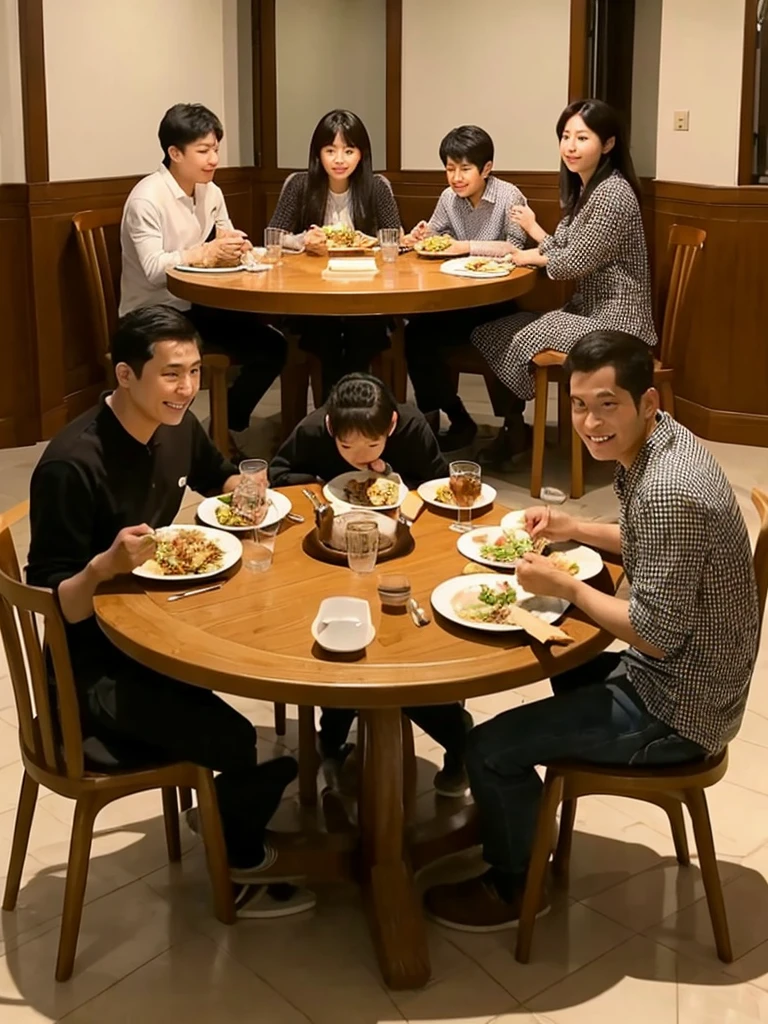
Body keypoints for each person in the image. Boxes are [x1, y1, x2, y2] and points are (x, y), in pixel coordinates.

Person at [424, 330, 760, 930]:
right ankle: (516, 820)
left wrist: (569, 587)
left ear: (648, 403)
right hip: (687, 676)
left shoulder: (668, 491)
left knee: (490, 747)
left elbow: (656, 636)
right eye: (579, 405)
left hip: (679, 709)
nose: (591, 422)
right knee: (558, 641)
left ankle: (512, 886)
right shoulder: (665, 446)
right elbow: (647, 543)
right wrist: (573, 527)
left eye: (608, 404)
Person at [26, 306, 313, 920]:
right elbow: (55, 606)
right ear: (125, 375)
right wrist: (104, 566)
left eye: (192, 372)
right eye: (171, 374)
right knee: (239, 739)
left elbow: (219, 480)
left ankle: (251, 790)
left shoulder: (177, 425)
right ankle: (235, 864)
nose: (187, 389)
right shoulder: (73, 465)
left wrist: (255, 489)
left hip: (152, 632)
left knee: (258, 660)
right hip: (89, 678)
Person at [269, 373, 471, 796]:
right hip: (329, 552)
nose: (359, 457)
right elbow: (279, 474)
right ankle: (332, 736)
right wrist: (322, 488)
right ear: (330, 429)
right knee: (338, 642)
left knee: (403, 646)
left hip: (404, 548)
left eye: (373, 446)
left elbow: (435, 486)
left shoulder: (414, 427)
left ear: (392, 426)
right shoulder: (311, 429)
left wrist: (393, 478)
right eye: (346, 448)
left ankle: (457, 738)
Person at [469, 99, 657, 470]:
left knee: (527, 335)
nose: (570, 146)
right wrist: (535, 233)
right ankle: (516, 424)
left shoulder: (613, 194)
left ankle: (517, 431)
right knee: (491, 331)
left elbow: (575, 260)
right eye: (565, 136)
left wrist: (526, 255)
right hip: (588, 311)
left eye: (582, 137)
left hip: (620, 322)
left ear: (607, 144)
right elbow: (562, 245)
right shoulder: (586, 189)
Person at [120, 103, 286, 451]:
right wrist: (205, 253)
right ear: (174, 152)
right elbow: (154, 271)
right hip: (151, 311)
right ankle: (166, 442)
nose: (213, 159)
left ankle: (227, 425)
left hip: (196, 303)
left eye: (215, 149)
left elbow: (223, 238)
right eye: (203, 150)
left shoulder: (211, 191)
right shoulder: (147, 199)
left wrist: (235, 246)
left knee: (273, 345)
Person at [403, 125, 530, 451]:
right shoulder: (448, 198)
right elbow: (433, 235)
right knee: (415, 334)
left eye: (464, 169)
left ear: (486, 168)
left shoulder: (508, 196)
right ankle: (455, 416)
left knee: (499, 337)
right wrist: (420, 235)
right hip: (456, 299)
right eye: (449, 168)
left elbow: (515, 248)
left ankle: (513, 424)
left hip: (496, 300)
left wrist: (464, 247)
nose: (456, 177)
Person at [268, 109, 402, 399]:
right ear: (318, 154)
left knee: (363, 335)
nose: (339, 160)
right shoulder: (300, 185)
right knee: (323, 335)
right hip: (312, 296)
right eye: (330, 150)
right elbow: (273, 238)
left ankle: (353, 413)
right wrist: (305, 240)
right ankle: (332, 415)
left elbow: (394, 238)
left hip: (367, 295)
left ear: (361, 154)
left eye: (348, 150)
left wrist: (371, 241)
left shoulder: (377, 187)